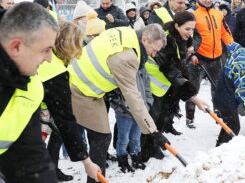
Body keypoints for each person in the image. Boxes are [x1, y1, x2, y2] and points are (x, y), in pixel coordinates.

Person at [68, 24, 170, 183]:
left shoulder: (127, 33)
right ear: (145, 38)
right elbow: (133, 97)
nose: (153, 55)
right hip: (80, 88)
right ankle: (95, 180)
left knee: (100, 137)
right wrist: (153, 131)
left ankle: (96, 177)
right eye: (154, 50)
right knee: (101, 138)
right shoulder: (126, 58)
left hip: (86, 84)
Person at [0, 2, 59, 183]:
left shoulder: (30, 87)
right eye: (46, 50)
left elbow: (29, 154)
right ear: (16, 46)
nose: (49, 59)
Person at [37, 21, 101, 182]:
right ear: (70, 45)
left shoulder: (40, 56)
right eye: (78, 44)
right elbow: (65, 120)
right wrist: (86, 161)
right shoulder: (55, 72)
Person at [141, 11, 209, 161]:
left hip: (165, 83)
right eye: (187, 29)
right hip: (152, 81)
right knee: (151, 116)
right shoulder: (166, 40)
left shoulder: (181, 38)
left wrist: (189, 88)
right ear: (177, 25)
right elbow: (170, 68)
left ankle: (153, 146)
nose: (191, 33)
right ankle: (144, 151)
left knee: (160, 116)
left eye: (193, 29)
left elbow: (179, 64)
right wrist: (192, 96)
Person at [185, 0, 234, 128]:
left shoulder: (218, 13)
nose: (208, 0)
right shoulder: (192, 14)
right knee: (192, 89)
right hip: (198, 58)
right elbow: (187, 35)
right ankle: (190, 116)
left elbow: (225, 33)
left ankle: (218, 113)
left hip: (216, 58)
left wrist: (232, 46)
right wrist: (191, 52)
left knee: (218, 88)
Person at [107, 66, 151, 173]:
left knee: (136, 138)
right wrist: (121, 107)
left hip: (140, 112)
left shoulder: (141, 69)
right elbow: (112, 94)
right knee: (123, 139)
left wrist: (147, 104)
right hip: (124, 114)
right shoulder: (120, 69)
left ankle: (136, 158)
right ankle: (122, 161)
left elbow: (147, 88)